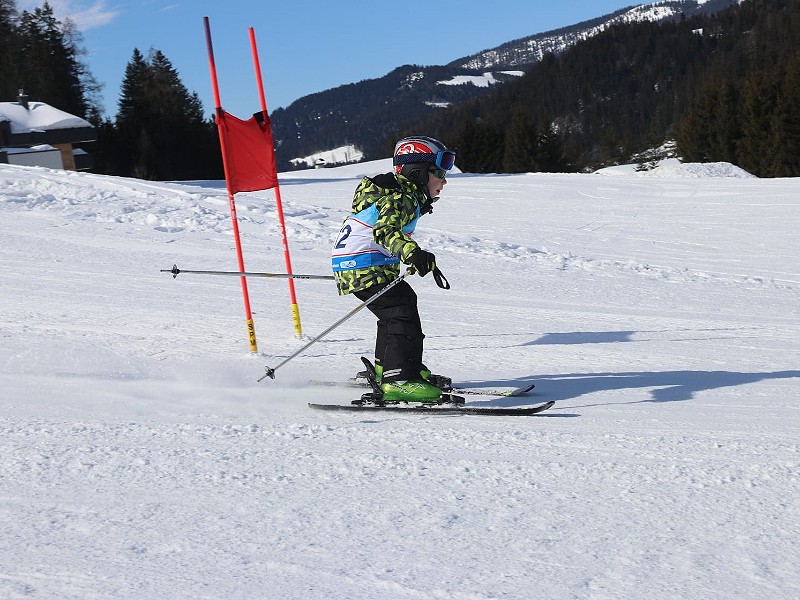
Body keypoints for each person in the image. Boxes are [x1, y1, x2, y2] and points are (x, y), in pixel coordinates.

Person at [331, 136, 456, 402]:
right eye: (440, 174)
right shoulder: (401, 197)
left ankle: (387, 367)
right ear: (418, 173)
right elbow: (385, 232)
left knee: (394, 310)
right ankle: (399, 378)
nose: (444, 181)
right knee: (401, 309)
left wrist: (415, 254)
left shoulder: (397, 194)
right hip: (364, 265)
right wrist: (413, 254)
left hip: (361, 264)